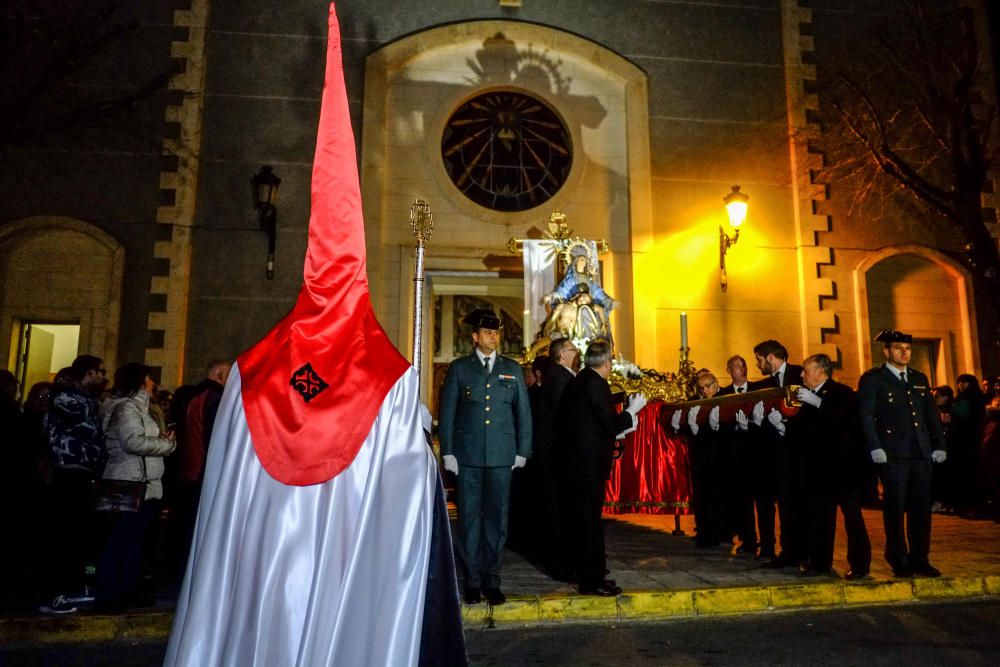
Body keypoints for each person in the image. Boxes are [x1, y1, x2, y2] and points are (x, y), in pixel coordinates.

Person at [166, 8, 465, 664]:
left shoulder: (253, 371)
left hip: (259, 591)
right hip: (343, 588)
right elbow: (406, 506)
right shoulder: (385, 380)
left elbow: (225, 505)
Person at [439, 308, 532, 606]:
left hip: (502, 456)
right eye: (488, 333)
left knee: (497, 520)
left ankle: (493, 580)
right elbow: (449, 412)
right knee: (468, 520)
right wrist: (448, 450)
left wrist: (522, 450)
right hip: (467, 457)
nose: (494, 337)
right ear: (476, 337)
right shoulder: (460, 369)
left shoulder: (511, 368)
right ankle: (472, 581)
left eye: (497, 333)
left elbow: (523, 414)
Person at [555, 340, 645, 596]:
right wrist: (631, 411)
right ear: (606, 362)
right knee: (589, 524)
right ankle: (591, 580)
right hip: (587, 467)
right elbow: (609, 424)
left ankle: (594, 576)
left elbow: (592, 424)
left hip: (580, 464)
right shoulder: (596, 384)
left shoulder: (582, 380)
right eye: (612, 360)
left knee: (589, 523)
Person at [858, 330, 947, 577]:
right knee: (895, 508)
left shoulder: (918, 378)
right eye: (898, 348)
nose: (904, 352)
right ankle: (898, 558)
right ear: (886, 351)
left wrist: (939, 444)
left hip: (920, 452)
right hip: (893, 453)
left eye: (907, 348)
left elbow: (930, 416)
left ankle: (920, 558)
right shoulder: (874, 379)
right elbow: (866, 416)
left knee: (921, 509)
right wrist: (875, 446)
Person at [95, 363, 176, 611]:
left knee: (133, 542)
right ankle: (109, 594)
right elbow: (132, 442)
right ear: (142, 381)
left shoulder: (138, 408)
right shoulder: (127, 408)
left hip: (141, 484)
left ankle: (126, 590)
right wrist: (167, 445)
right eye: (151, 379)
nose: (155, 384)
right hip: (129, 483)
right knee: (122, 540)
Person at [788, 354, 871, 579]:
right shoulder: (805, 397)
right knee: (819, 518)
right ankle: (819, 562)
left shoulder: (842, 393)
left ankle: (860, 565)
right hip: (817, 468)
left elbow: (847, 422)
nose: (802, 375)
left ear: (820, 371)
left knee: (852, 517)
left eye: (806, 370)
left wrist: (819, 403)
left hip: (842, 467)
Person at [39, 354, 108, 614]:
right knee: (63, 534)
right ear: (89, 373)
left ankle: (71, 586)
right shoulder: (68, 400)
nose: (104, 377)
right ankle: (53, 593)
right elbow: (89, 430)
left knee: (77, 534)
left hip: (81, 472)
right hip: (67, 472)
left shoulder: (83, 401)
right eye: (101, 372)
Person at [753, 340, 807, 570]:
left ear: (770, 358)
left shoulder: (801, 374)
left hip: (801, 452)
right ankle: (788, 552)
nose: (758, 364)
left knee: (803, 505)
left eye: (759, 359)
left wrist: (787, 425)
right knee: (785, 504)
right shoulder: (763, 385)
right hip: (776, 455)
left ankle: (806, 551)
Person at [540, 337, 580, 580]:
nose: (577, 353)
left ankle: (572, 562)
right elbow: (567, 414)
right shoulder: (558, 376)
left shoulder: (563, 375)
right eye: (574, 349)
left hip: (562, 454)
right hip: (559, 455)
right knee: (561, 514)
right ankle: (563, 566)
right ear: (563, 354)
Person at [717, 356, 759, 555]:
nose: (742, 369)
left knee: (760, 502)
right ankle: (746, 539)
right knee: (740, 502)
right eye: (737, 366)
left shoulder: (758, 390)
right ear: (729, 370)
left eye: (744, 366)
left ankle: (763, 541)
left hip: (754, 454)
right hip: (732, 456)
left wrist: (748, 427)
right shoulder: (723, 394)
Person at [543, 246, 617, 344]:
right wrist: (551, 296)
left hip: (586, 307)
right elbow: (562, 291)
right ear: (576, 261)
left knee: (594, 319)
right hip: (574, 306)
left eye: (585, 260)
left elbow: (597, 291)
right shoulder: (570, 279)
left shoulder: (588, 279)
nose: (584, 262)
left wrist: (608, 300)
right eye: (582, 259)